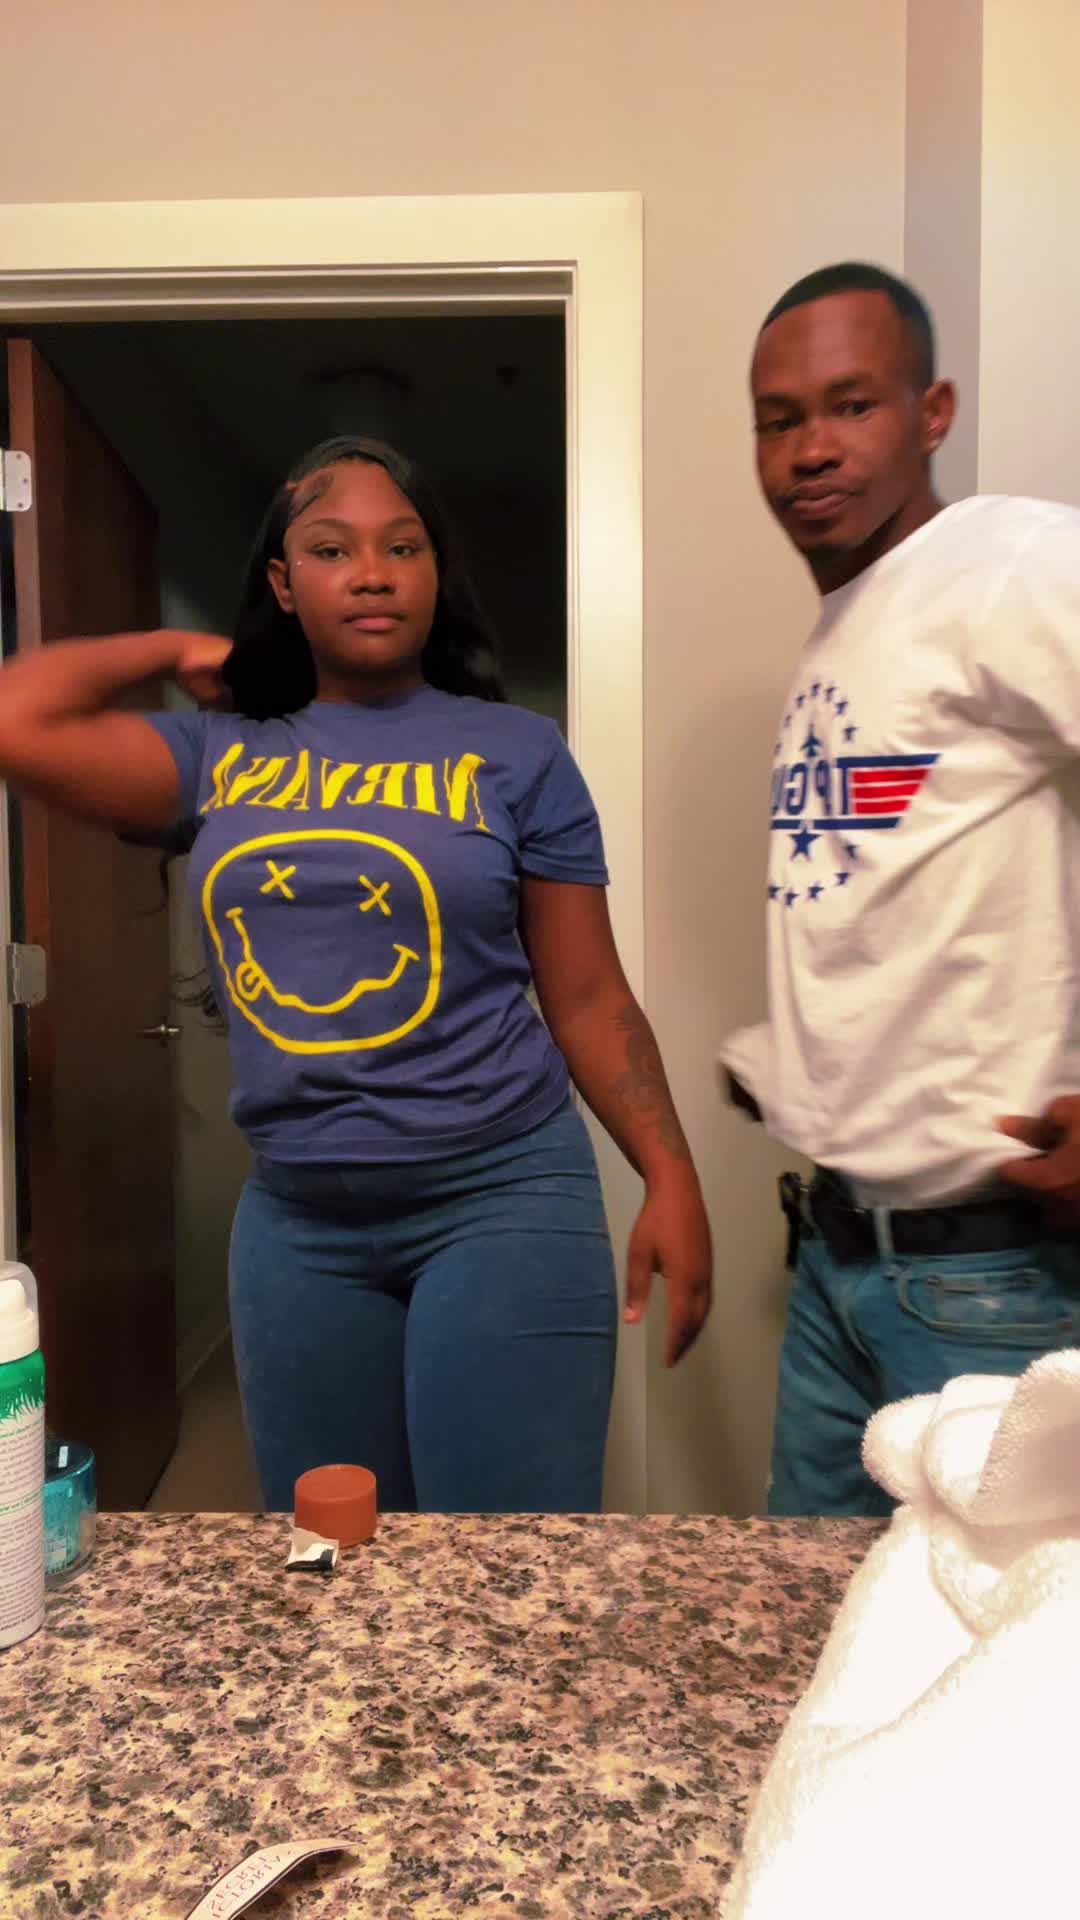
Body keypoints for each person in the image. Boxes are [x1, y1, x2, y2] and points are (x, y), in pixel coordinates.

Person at [0, 433, 712, 1515]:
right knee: (332, 1558)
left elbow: (587, 997)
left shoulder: (519, 753)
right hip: (297, 1226)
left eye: (402, 547)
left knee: (504, 1565)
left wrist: (671, 1175)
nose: (372, 573)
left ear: (435, 574)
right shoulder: (218, 752)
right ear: (284, 584)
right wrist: (175, 645)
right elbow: (16, 719)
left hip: (501, 1197)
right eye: (332, 549)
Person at [721, 261, 1080, 1516]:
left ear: (934, 413)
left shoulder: (1007, 561)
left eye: (851, 405)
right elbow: (895, 891)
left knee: (998, 1623)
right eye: (778, 419)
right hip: (841, 1260)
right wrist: (792, 1060)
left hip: (991, 1276)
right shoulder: (853, 618)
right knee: (810, 1614)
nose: (810, 448)